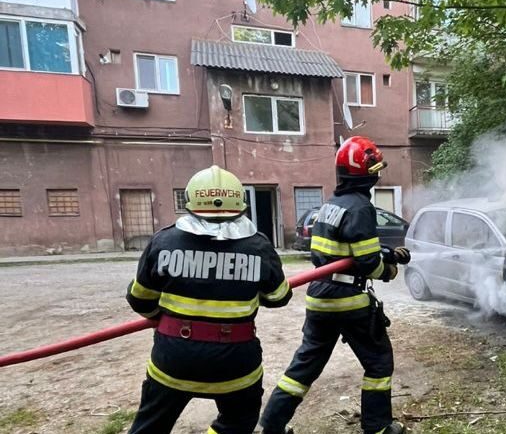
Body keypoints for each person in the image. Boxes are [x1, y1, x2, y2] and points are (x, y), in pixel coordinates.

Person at [125, 165, 292, 434]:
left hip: (173, 360)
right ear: (240, 204)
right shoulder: (259, 246)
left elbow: (140, 300)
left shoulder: (163, 242)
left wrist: (164, 317)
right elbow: (279, 297)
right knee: (238, 422)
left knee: (150, 426)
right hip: (235, 365)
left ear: (190, 203)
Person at [261, 136, 411, 434]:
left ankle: (272, 424)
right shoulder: (361, 207)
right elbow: (367, 263)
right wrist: (388, 269)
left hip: (320, 296)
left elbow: (343, 251)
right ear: (364, 174)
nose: (377, 176)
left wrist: (387, 252)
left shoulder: (330, 206)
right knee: (378, 363)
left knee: (305, 365)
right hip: (348, 300)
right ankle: (378, 426)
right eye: (375, 170)